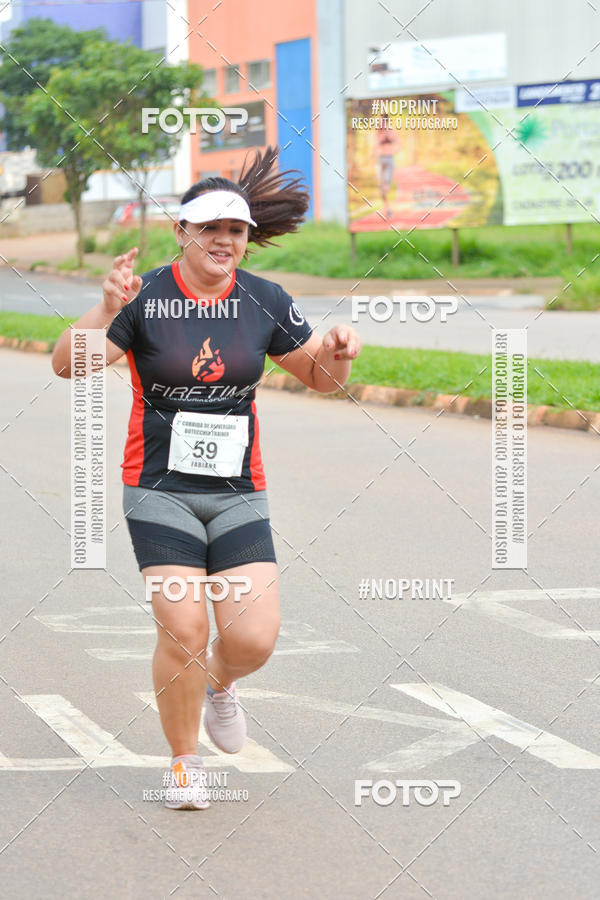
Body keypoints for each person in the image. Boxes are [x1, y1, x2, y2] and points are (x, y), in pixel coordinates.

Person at [51, 145, 361, 810]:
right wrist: (103, 310)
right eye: (211, 228)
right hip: (159, 490)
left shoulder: (266, 298)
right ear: (182, 233)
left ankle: (219, 682)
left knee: (251, 637)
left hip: (238, 492)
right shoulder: (146, 297)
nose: (225, 240)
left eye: (237, 230)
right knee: (184, 630)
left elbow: (323, 380)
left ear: (248, 239)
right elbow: (67, 365)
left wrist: (337, 354)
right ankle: (184, 763)